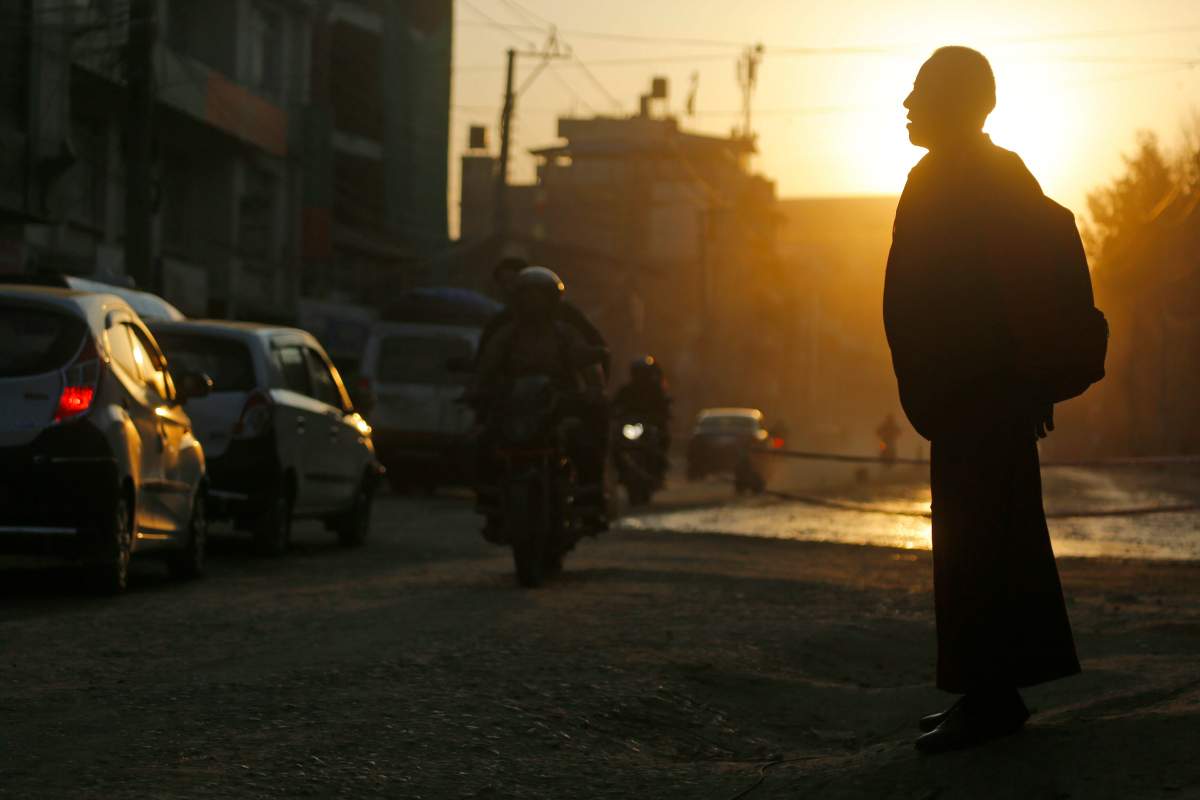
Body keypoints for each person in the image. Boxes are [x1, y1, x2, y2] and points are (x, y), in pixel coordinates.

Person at [882, 46, 1080, 754]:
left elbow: (1022, 284)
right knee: (977, 542)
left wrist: (1030, 377)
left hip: (982, 393)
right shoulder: (959, 174)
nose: (906, 103)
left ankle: (993, 698)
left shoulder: (977, 177)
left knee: (982, 545)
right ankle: (987, 690)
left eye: (921, 91)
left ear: (963, 102)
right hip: (972, 393)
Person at [474, 266, 609, 530]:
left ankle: (589, 502)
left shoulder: (565, 333)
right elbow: (486, 368)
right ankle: (492, 503)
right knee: (482, 441)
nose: (533, 304)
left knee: (586, 441)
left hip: (558, 405)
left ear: (552, 300)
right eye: (527, 297)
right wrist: (477, 389)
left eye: (539, 297)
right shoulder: (506, 335)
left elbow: (589, 366)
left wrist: (594, 390)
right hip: (516, 407)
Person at [478, 256, 610, 380]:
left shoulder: (566, 328)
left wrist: (595, 390)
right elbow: (484, 363)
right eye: (504, 283)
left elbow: (592, 352)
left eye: (537, 295)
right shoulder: (502, 327)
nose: (508, 288)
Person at [612, 355, 672, 472]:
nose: (641, 375)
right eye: (638, 372)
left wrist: (663, 416)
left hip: (650, 425)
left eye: (643, 372)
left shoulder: (656, 390)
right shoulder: (626, 390)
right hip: (630, 424)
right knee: (616, 444)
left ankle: (660, 466)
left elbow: (665, 406)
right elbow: (615, 404)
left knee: (662, 436)